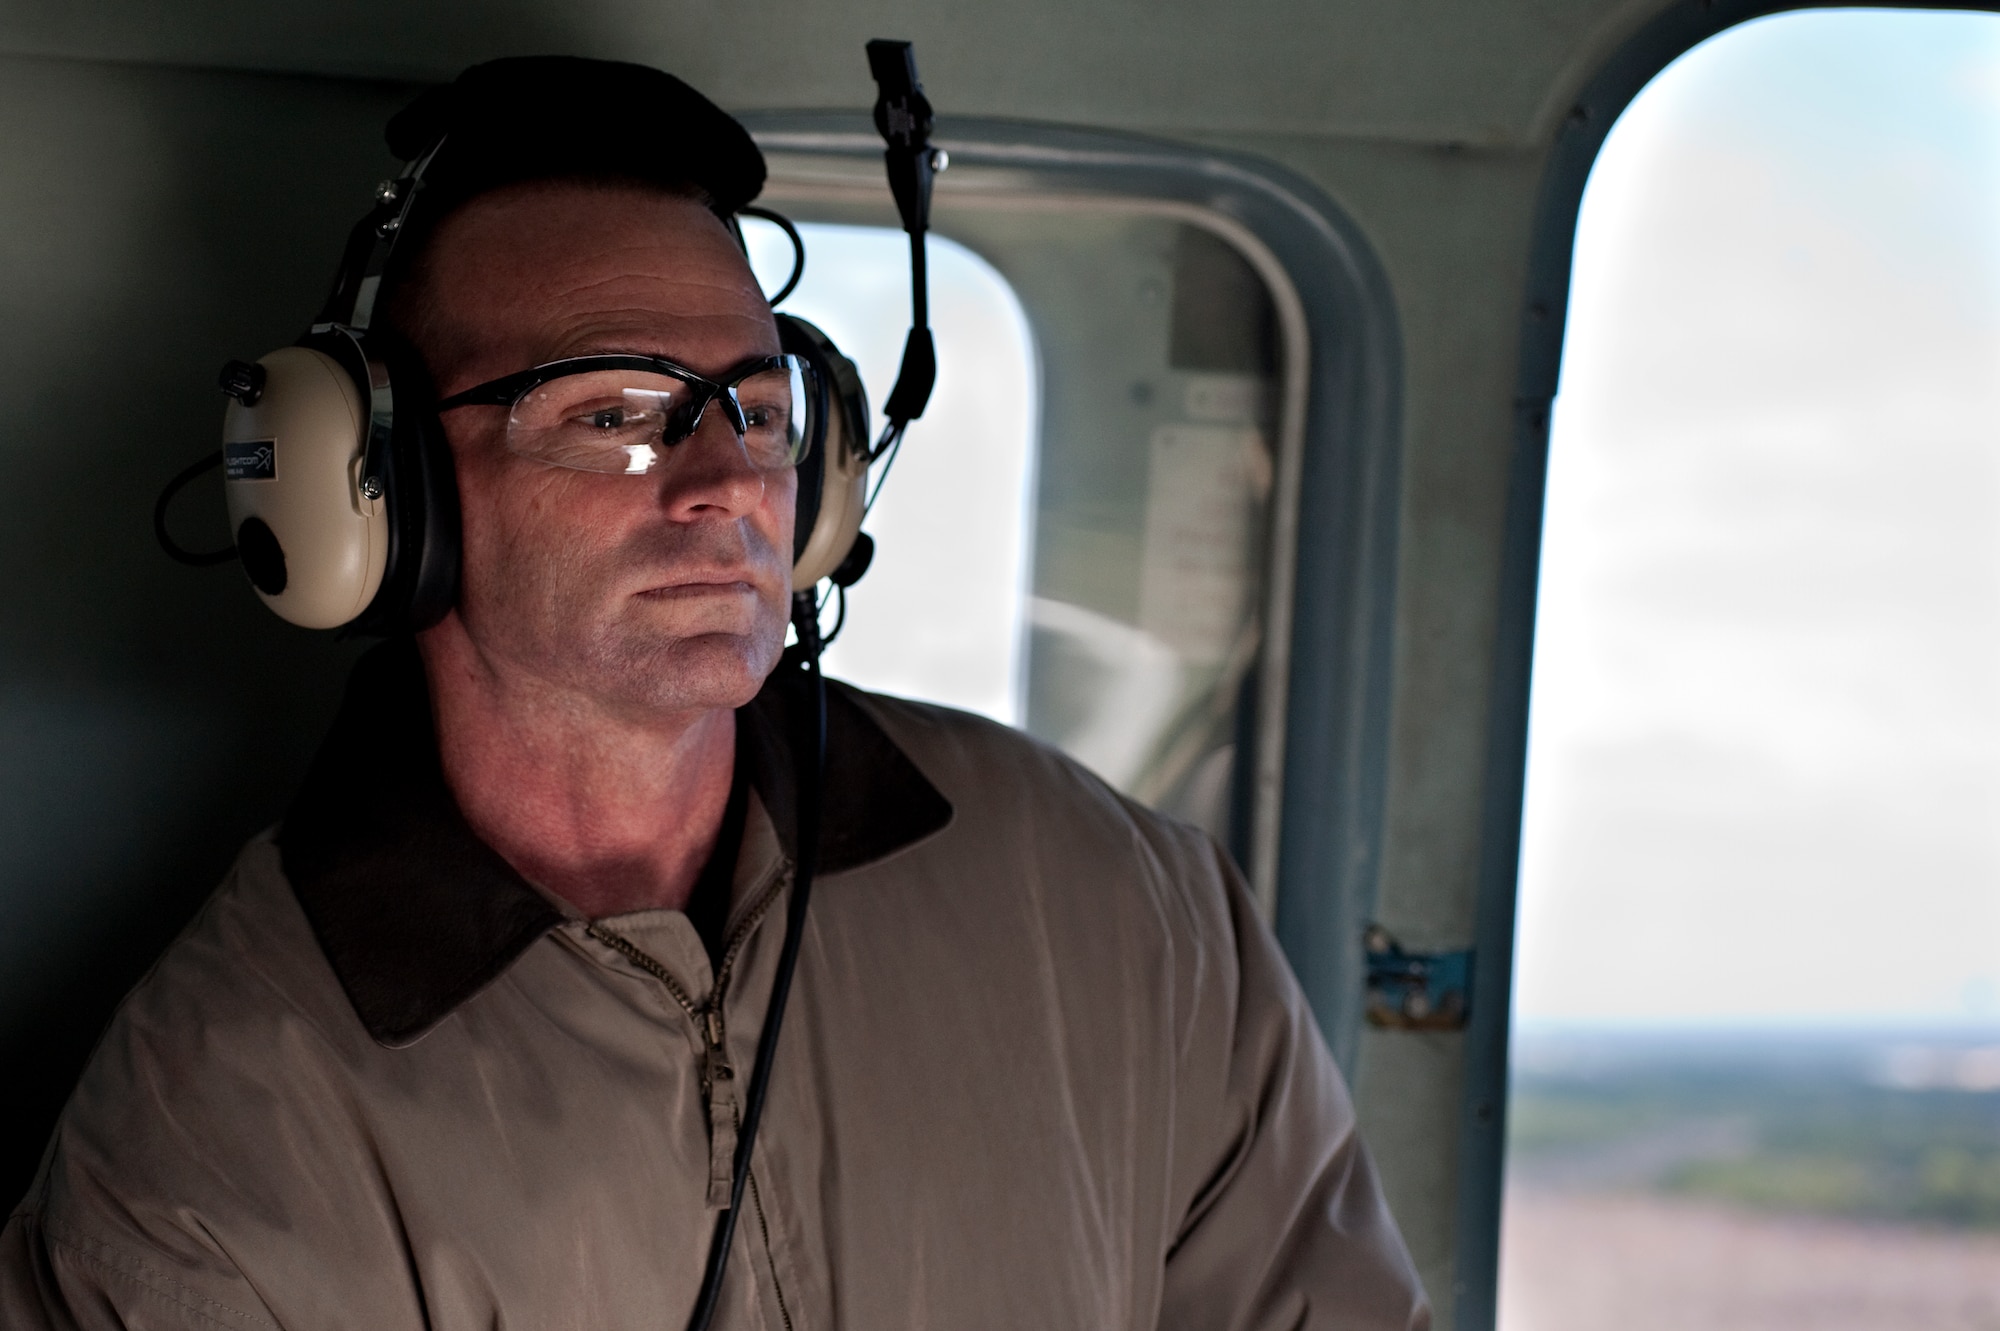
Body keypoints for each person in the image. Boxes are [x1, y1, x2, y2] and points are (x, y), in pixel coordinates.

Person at [1, 58, 1428, 1331]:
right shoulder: (222, 1133)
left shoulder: (1121, 905)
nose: (729, 481)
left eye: (757, 407)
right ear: (374, 496)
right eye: (613, 414)